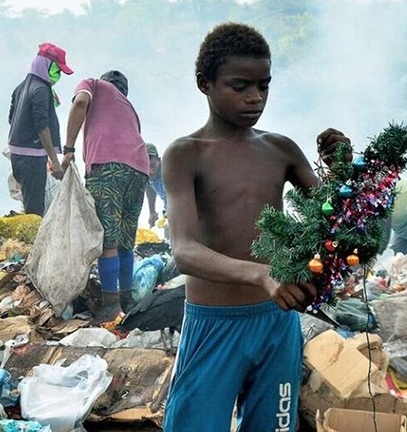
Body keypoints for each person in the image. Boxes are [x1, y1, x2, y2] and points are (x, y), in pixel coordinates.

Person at [162, 23, 348, 431]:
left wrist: (343, 175)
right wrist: (261, 274)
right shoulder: (185, 154)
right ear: (204, 83)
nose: (255, 98)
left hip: (276, 322)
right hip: (214, 324)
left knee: (273, 426)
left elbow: (331, 225)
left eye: (264, 85)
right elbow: (184, 250)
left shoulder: (280, 149)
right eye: (240, 86)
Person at [62, 70, 150, 321]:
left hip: (109, 166)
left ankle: (111, 306)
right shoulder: (130, 109)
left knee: (107, 239)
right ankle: (127, 298)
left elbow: (80, 102)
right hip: (139, 168)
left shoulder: (94, 85)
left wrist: (68, 149)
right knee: (124, 239)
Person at [7, 43, 73, 216]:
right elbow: (41, 126)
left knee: (30, 203)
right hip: (32, 160)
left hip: (17, 156)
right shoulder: (41, 90)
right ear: (46, 65)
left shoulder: (21, 87)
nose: (58, 75)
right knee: (35, 212)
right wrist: (55, 161)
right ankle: (34, 242)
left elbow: (11, 119)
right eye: (57, 70)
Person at [145, 143, 167, 228]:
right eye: (146, 159)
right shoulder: (147, 177)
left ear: (159, 160)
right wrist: (152, 212)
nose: (149, 161)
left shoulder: (167, 171)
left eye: (151, 158)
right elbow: (149, 188)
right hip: (168, 211)